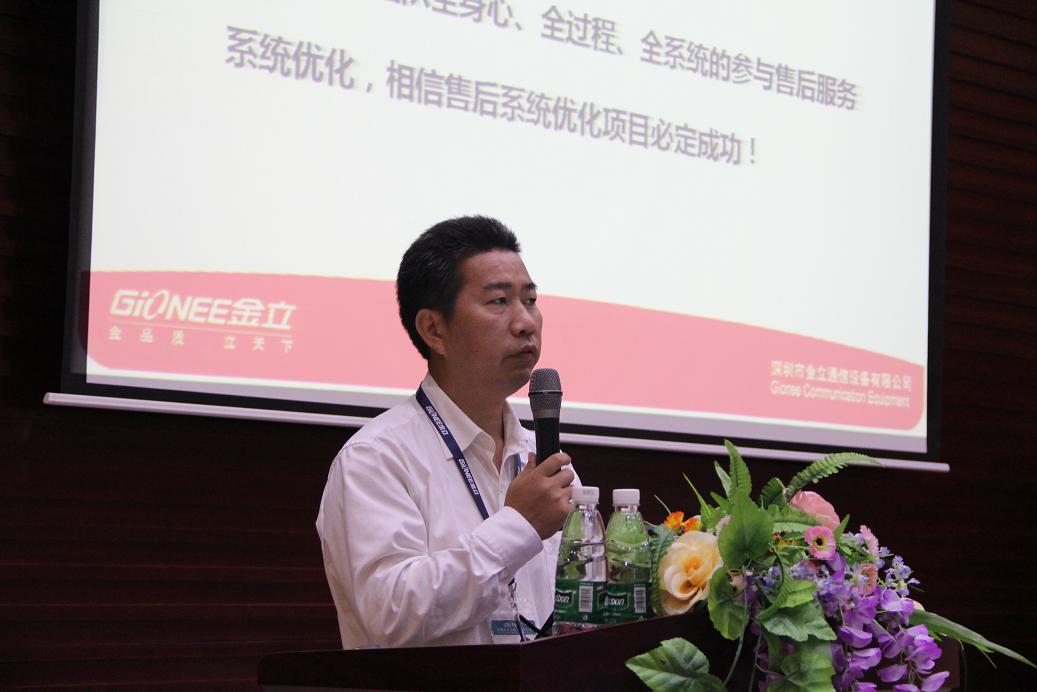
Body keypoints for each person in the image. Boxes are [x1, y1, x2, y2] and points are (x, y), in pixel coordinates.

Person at [316, 216, 576, 648]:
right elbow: (392, 614)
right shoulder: (376, 458)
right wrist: (519, 526)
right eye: (499, 301)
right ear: (434, 329)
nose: (525, 322)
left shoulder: (544, 461)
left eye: (530, 300)